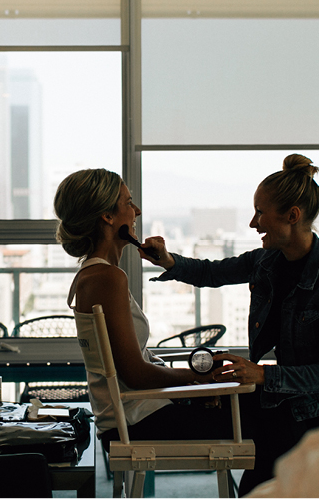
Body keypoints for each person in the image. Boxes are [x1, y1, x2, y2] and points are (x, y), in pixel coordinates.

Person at [141, 154, 319, 495]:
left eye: (260, 212)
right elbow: (212, 272)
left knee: (258, 487)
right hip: (284, 404)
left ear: (292, 216)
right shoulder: (267, 261)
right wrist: (169, 260)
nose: (252, 222)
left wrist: (262, 375)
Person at [54, 168, 233, 449]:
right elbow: (135, 374)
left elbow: (135, 366)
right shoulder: (108, 278)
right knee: (261, 412)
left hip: (133, 415)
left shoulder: (93, 275)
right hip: (139, 420)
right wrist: (201, 376)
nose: (136, 210)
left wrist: (191, 384)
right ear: (108, 217)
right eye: (128, 202)